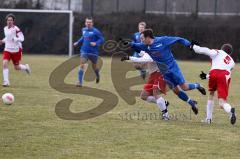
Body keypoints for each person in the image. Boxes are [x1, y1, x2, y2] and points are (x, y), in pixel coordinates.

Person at [126, 29, 206, 115]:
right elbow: (137, 45)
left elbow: (179, 39)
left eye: (142, 38)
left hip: (173, 68)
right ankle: (192, 103)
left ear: (148, 37)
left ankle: (198, 85)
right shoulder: (146, 46)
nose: (141, 40)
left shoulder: (162, 40)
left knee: (184, 87)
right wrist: (130, 44)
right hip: (164, 72)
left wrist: (189, 44)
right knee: (176, 91)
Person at [192, 43, 236, 125]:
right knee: (222, 101)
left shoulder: (217, 52)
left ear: (221, 48)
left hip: (214, 73)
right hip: (225, 76)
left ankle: (208, 119)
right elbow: (222, 71)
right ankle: (230, 110)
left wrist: (194, 47)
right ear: (230, 53)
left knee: (211, 94)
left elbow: (206, 51)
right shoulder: (232, 62)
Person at [122, 51, 169, 120]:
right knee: (144, 96)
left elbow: (142, 60)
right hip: (152, 75)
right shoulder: (146, 50)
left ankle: (165, 115)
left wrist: (129, 57)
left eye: (142, 39)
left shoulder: (153, 50)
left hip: (160, 73)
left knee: (155, 93)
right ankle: (164, 103)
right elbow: (142, 55)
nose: (141, 40)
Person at [0, 13, 31, 87]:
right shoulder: (5, 28)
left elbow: (22, 38)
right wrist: (2, 41)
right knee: (4, 63)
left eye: (11, 20)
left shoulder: (16, 29)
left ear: (13, 21)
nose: (9, 21)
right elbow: (8, 38)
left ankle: (26, 67)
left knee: (16, 67)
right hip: (7, 49)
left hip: (16, 50)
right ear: (6, 21)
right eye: (8, 20)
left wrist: (16, 39)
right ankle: (6, 82)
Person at [74, 17, 104, 87]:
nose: (88, 23)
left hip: (93, 52)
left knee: (94, 67)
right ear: (85, 23)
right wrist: (77, 42)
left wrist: (96, 43)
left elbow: (102, 39)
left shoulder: (96, 31)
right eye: (87, 22)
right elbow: (83, 37)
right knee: (82, 65)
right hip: (84, 51)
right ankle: (79, 82)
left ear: (92, 23)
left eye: (90, 22)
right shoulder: (83, 30)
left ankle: (97, 75)